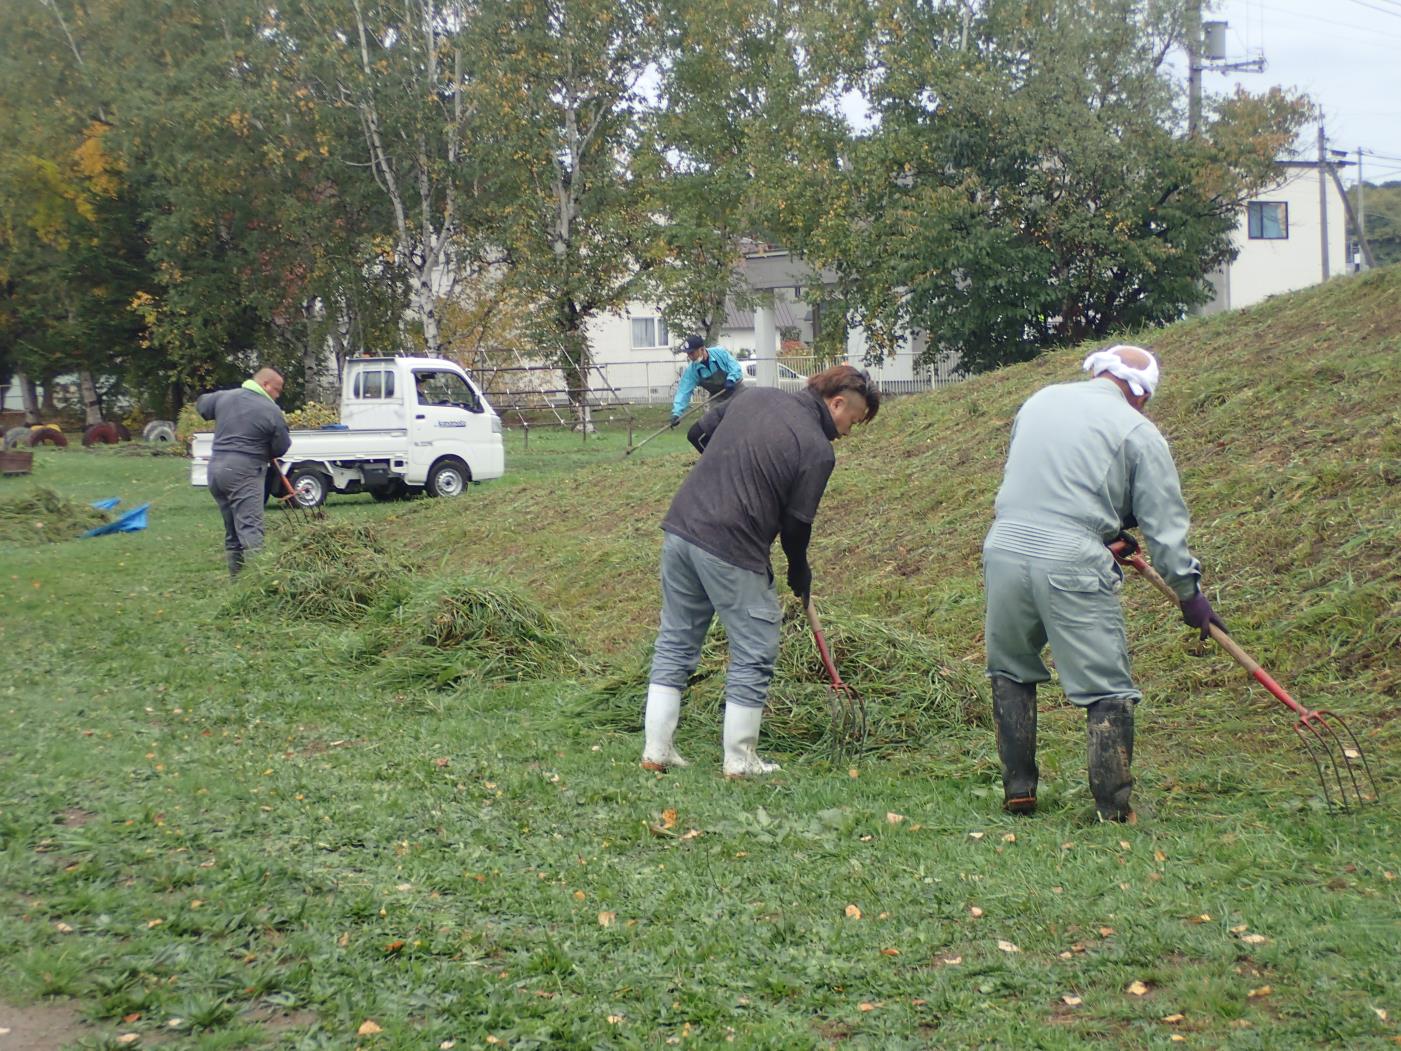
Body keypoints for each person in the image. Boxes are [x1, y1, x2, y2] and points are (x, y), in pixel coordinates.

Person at [982, 344, 1224, 822]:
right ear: (1140, 394)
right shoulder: (1139, 431)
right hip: (1070, 560)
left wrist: (1105, 531)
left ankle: (1019, 791)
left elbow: (1048, 481)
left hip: (1005, 546)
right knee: (1106, 688)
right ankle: (1113, 808)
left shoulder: (1041, 399)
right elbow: (1164, 527)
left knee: (1010, 669)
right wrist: (1188, 592)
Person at [642, 364, 880, 777]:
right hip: (731, 547)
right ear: (836, 403)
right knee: (755, 647)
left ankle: (656, 751)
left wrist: (730, 471)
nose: (847, 432)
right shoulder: (818, 450)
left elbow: (697, 434)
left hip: (680, 531)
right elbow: (796, 525)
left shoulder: (753, 396)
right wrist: (799, 571)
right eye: (852, 421)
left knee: (676, 642)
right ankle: (740, 759)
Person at [196, 367, 292, 577]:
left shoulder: (225, 397)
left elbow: (202, 405)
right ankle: (257, 586)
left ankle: (237, 583)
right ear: (266, 386)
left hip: (217, 470)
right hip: (244, 472)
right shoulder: (270, 409)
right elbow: (282, 446)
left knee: (232, 531)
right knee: (251, 529)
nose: (278, 396)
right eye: (277, 390)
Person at [669, 334, 744, 452]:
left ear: (702, 349)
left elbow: (735, 367)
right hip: (717, 398)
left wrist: (731, 379)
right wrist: (677, 413)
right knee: (715, 426)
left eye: (692, 353)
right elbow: (684, 391)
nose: (690, 357)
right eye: (688, 354)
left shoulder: (720, 353)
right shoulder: (692, 371)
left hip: (736, 390)